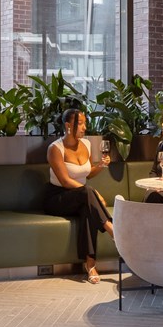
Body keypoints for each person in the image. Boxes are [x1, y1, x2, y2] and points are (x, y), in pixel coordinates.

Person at [43, 109, 114, 284]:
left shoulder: (87, 144)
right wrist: (94, 193)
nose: (84, 127)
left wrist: (101, 166)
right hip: (58, 198)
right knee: (88, 193)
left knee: (87, 210)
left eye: (85, 123)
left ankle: (90, 266)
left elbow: (87, 175)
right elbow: (66, 181)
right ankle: (111, 228)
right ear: (68, 126)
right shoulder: (55, 149)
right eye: (80, 123)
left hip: (81, 196)